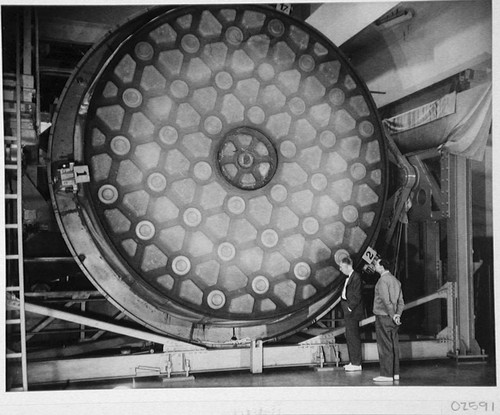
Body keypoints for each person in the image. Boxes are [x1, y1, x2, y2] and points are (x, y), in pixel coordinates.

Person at [372, 258, 405, 382]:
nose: (374, 266)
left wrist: (392, 315)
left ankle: (386, 375)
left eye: (376, 264)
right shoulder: (396, 281)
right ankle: (395, 373)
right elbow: (401, 302)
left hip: (383, 317)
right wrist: (397, 315)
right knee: (393, 345)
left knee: (384, 346)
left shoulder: (382, 281)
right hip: (394, 318)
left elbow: (386, 301)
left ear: (381, 267)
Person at [339, 256, 364, 372]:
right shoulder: (349, 278)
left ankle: (357, 363)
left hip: (352, 312)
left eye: (341, 266)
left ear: (348, 266)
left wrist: (349, 308)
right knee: (350, 337)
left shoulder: (356, 277)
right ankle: (353, 361)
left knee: (353, 337)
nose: (340, 269)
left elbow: (357, 295)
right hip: (349, 311)